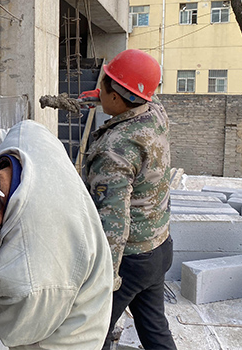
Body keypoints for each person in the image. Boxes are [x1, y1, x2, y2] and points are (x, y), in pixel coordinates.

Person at [0, 118, 114, 350]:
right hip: (72, 278)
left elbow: (15, 329)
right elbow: (9, 137)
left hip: (65, 339)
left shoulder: (32, 277)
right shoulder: (29, 135)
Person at [82, 49, 177, 350]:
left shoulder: (115, 149)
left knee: (91, 334)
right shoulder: (155, 112)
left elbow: (113, 222)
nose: (101, 88)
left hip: (129, 260)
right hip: (158, 248)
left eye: (104, 84)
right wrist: (95, 97)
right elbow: (134, 93)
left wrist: (104, 282)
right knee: (155, 330)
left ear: (116, 97)